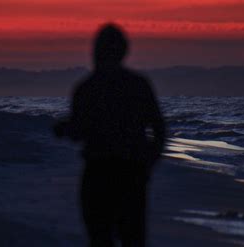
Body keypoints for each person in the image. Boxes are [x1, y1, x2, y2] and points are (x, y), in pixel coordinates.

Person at [54, 23, 165, 247]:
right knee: (133, 239)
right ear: (124, 51)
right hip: (132, 174)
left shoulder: (87, 87)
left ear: (96, 51)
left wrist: (63, 129)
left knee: (99, 239)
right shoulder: (139, 85)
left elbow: (78, 132)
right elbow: (160, 129)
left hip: (98, 174)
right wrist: (148, 164)